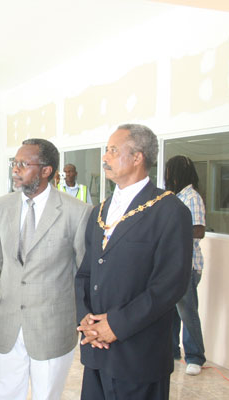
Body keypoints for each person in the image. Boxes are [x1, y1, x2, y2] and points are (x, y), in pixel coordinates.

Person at [75, 124, 193, 400]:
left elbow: (170, 285)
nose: (105, 157)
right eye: (106, 150)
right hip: (96, 350)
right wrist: (86, 320)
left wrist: (115, 325)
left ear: (138, 157)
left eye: (113, 151)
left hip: (139, 354)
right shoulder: (99, 211)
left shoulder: (169, 211)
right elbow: (85, 273)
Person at [0, 138, 91, 400]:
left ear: (46, 170)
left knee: (47, 395)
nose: (15, 169)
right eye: (15, 163)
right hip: (7, 320)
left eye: (23, 164)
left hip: (52, 324)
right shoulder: (0, 207)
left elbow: (83, 270)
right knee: (6, 393)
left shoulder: (77, 212)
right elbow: (3, 259)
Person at [165, 155, 207, 376]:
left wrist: (171, 232)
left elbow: (199, 230)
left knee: (187, 312)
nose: (167, 176)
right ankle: (172, 350)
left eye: (170, 171)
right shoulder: (176, 196)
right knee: (170, 310)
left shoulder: (192, 197)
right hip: (173, 265)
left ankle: (195, 357)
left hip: (188, 266)